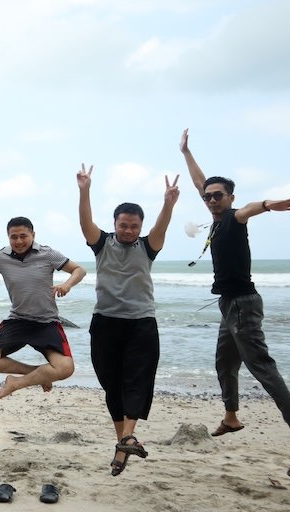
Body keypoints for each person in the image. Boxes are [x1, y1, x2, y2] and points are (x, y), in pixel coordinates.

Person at [180, 128, 290, 477]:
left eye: (218, 196)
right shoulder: (214, 216)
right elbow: (200, 182)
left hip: (243, 304)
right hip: (229, 305)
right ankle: (231, 417)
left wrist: (269, 204)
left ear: (230, 198)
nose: (211, 200)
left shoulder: (233, 218)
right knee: (224, 364)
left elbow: (251, 209)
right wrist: (185, 152)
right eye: (208, 196)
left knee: (262, 367)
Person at [76, 164, 179, 476]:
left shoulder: (148, 246)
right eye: (123, 225)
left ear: (140, 227)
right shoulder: (101, 243)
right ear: (115, 224)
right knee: (111, 385)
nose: (128, 230)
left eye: (134, 226)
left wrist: (168, 204)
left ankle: (127, 439)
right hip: (106, 323)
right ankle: (124, 442)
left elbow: (161, 228)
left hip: (141, 324)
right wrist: (85, 191)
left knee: (136, 380)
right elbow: (85, 223)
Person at [0, 217, 86, 403]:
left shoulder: (47, 254)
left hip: (46, 323)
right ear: (8, 237)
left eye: (23, 236)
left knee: (65, 368)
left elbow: (79, 270)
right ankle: (36, 374)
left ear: (33, 235)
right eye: (13, 237)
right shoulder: (1, 257)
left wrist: (67, 285)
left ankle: (15, 383)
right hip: (18, 320)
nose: (18, 241)